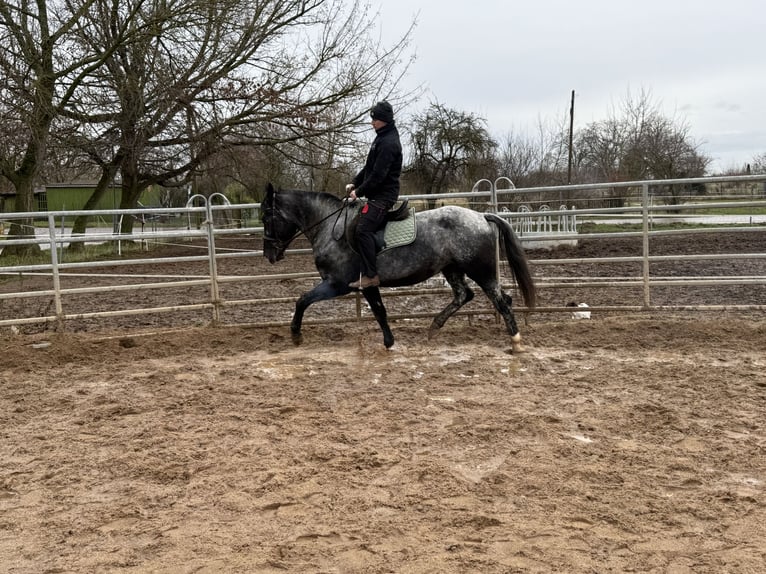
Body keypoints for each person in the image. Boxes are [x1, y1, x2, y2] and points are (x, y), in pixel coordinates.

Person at [346, 100, 402, 289]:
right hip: (377, 195)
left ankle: (371, 275)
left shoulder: (389, 143)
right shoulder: (381, 137)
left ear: (384, 120)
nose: (372, 122)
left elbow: (379, 175)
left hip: (384, 197)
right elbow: (369, 168)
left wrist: (359, 192)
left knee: (363, 230)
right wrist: (355, 182)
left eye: (375, 119)